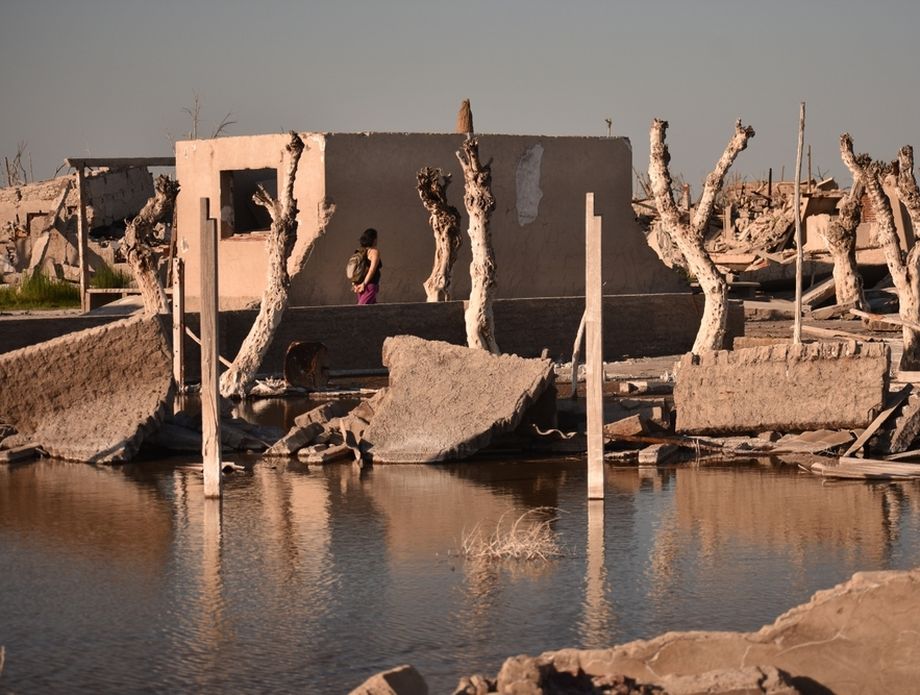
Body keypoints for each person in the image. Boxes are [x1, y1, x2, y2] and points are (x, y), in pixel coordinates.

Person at [354, 228, 382, 305]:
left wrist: (355, 283)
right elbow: (372, 270)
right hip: (368, 286)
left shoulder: (359, 251)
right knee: (361, 310)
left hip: (359, 285)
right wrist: (364, 284)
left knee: (370, 311)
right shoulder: (374, 252)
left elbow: (353, 268)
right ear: (373, 239)